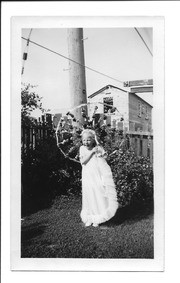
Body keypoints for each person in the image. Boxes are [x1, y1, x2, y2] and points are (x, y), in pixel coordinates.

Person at [79, 129, 118, 227]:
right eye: (84, 140)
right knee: (89, 195)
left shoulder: (97, 148)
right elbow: (83, 161)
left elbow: (104, 159)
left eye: (88, 140)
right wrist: (92, 152)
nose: (86, 142)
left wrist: (101, 153)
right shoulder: (82, 149)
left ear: (93, 140)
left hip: (96, 175)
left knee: (97, 194)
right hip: (87, 176)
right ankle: (89, 217)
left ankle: (97, 217)